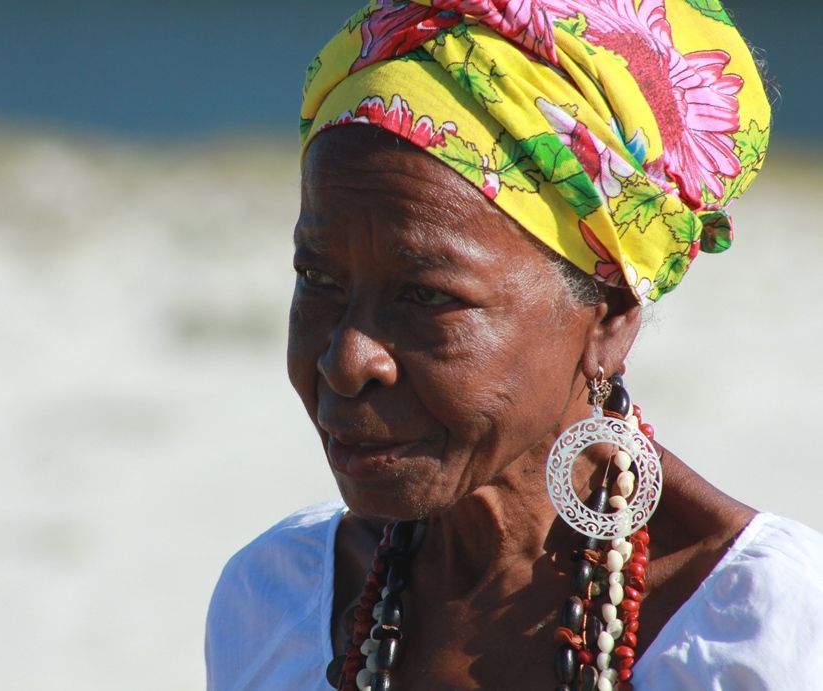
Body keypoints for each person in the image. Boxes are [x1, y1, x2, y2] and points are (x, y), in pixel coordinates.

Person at [206, 1, 823, 689]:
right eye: (318, 278)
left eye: (425, 296)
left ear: (609, 314)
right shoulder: (279, 600)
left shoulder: (762, 628)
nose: (346, 361)